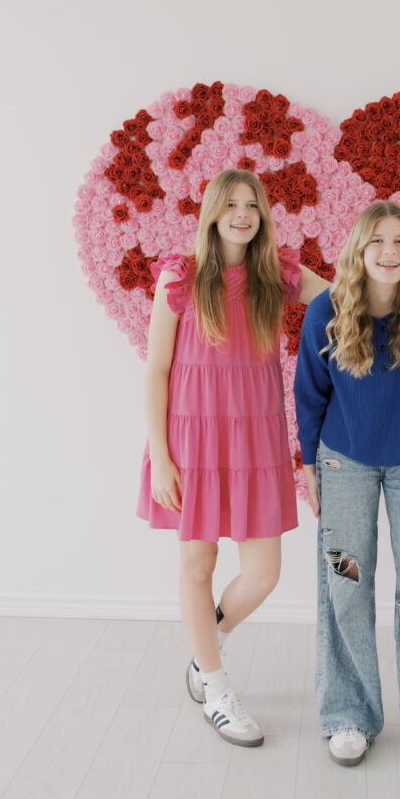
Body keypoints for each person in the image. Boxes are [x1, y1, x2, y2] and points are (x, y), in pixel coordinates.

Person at [137, 168, 328, 747]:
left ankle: (204, 649)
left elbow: (344, 293)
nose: (244, 214)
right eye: (232, 205)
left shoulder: (278, 273)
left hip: (255, 439)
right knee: (198, 564)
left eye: (254, 205)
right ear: (213, 213)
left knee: (262, 573)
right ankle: (216, 689)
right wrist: (161, 456)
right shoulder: (182, 275)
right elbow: (157, 369)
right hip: (191, 439)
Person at [294, 200, 400, 769]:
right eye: (377, 241)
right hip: (342, 464)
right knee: (345, 581)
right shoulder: (325, 310)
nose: (389, 252)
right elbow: (308, 394)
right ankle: (348, 714)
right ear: (359, 251)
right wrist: (307, 466)